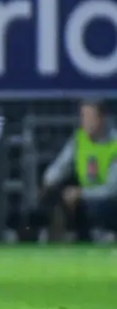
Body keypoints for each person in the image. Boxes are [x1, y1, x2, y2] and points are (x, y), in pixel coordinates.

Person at [39, 100, 117, 242]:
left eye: (90, 117)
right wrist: (48, 181)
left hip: (109, 202)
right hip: (83, 197)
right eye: (83, 116)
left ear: (101, 118)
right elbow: (61, 165)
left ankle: (103, 236)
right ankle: (52, 241)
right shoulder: (79, 139)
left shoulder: (114, 143)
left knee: (95, 206)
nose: (85, 122)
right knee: (52, 195)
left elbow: (112, 190)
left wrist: (81, 193)